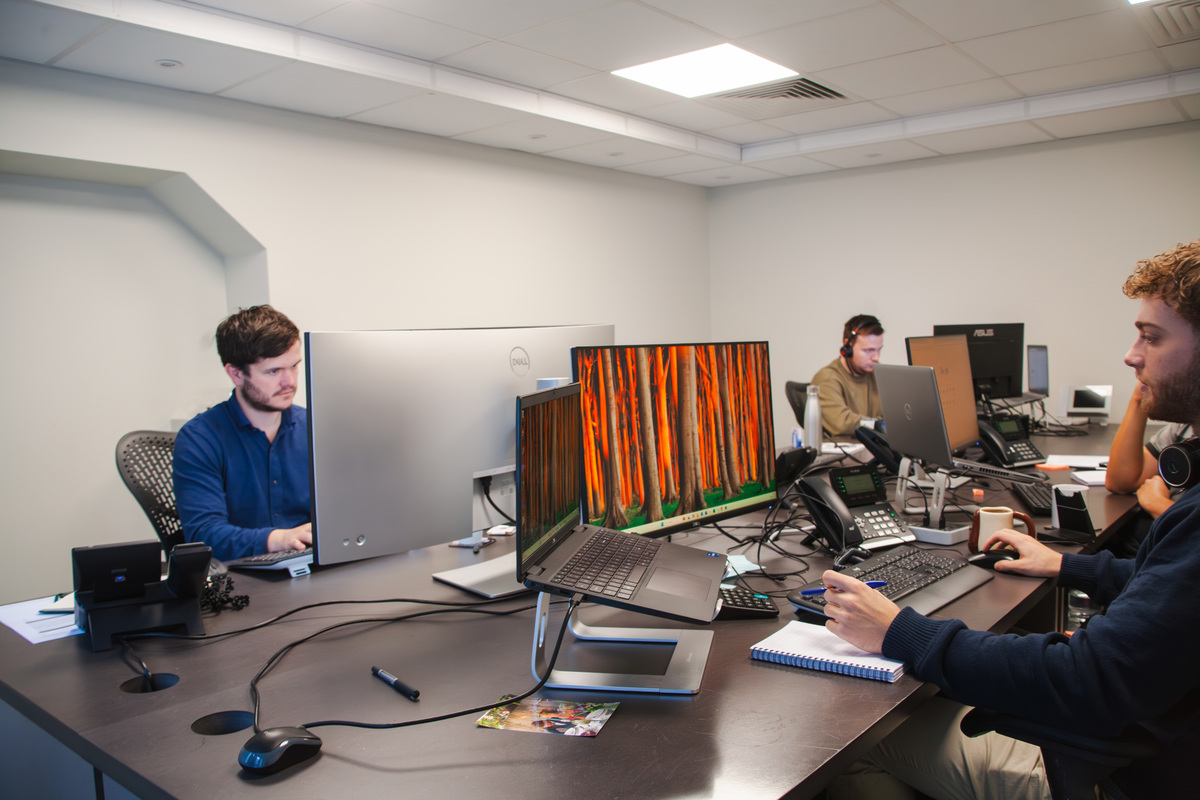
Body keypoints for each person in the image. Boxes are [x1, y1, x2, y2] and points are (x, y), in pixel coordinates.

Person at [823, 239, 1200, 800]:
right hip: (1146, 737)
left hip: (1110, 772)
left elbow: (1086, 676)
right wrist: (1067, 566)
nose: (1131, 355)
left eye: (1152, 336)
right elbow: (1170, 590)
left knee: (848, 731)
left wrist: (899, 630)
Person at [173, 305, 312, 562]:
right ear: (236, 374)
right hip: (240, 575)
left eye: (294, 366)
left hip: (314, 567)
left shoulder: (314, 427)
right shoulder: (199, 439)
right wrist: (277, 539)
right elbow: (204, 535)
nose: (290, 382)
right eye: (274, 371)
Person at [811, 314, 885, 437]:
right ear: (848, 346)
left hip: (875, 445)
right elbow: (842, 423)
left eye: (879, 350)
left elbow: (895, 416)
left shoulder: (878, 374)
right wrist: (879, 424)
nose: (876, 357)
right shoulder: (827, 378)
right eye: (869, 350)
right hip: (846, 447)